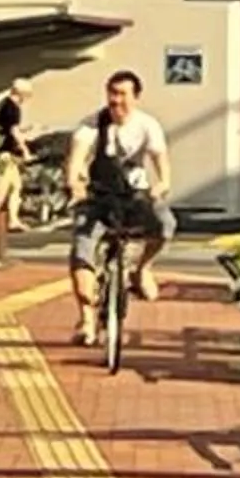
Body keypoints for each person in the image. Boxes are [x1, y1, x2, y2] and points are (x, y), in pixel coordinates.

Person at [65, 71, 174, 344]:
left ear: (136, 98)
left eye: (123, 94)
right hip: (97, 196)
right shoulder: (91, 125)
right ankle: (87, 320)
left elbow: (162, 163)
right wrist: (75, 184)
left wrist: (161, 186)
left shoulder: (148, 125)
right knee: (82, 247)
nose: (116, 101)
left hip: (135, 195)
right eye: (112, 93)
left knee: (165, 225)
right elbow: (76, 160)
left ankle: (142, 269)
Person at [0, 80, 32, 222]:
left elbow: (6, 128)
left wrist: (25, 129)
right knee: (1, 190)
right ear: (21, 94)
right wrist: (25, 150)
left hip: (6, 154)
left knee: (15, 187)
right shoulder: (13, 108)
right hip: (5, 154)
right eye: (27, 95)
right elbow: (13, 131)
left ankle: (13, 220)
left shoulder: (3, 105)